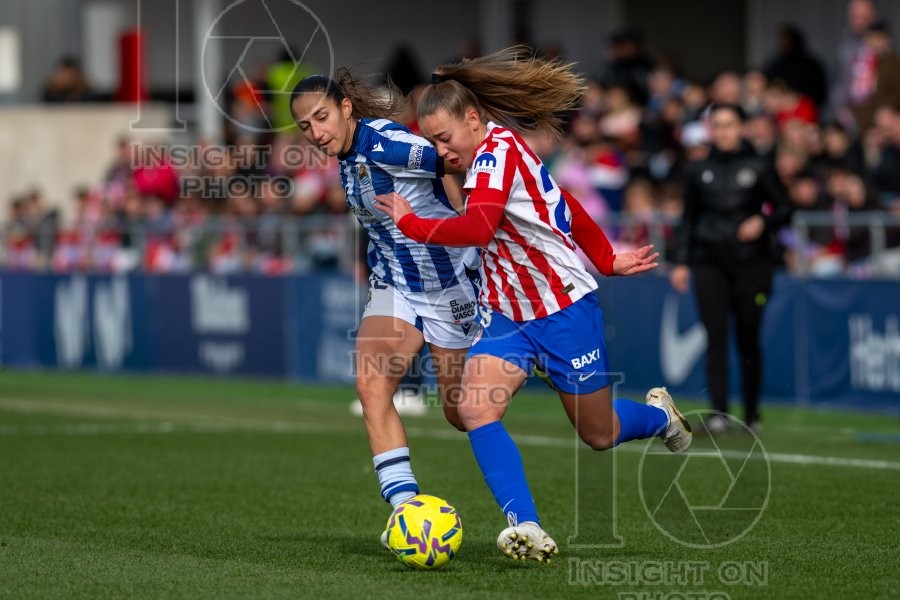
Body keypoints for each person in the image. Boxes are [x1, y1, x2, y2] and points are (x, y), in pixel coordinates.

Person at [375, 47, 692, 563]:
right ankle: (526, 525)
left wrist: (411, 223)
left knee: (599, 432)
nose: (440, 151)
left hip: (565, 311)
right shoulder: (484, 155)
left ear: (473, 119)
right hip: (506, 314)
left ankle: (659, 418)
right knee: (473, 408)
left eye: (443, 138)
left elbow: (477, 227)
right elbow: (564, 202)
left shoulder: (497, 154)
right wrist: (606, 257)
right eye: (431, 141)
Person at [288, 70, 480, 535]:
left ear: (346, 109)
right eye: (306, 127)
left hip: (450, 285)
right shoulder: (348, 155)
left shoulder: (386, 145)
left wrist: (467, 215)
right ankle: (407, 511)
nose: (316, 133)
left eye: (322, 118)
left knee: (461, 413)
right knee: (372, 386)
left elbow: (457, 158)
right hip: (395, 285)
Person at [669, 104, 793, 434]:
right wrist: (680, 261)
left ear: (741, 128)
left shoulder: (759, 166)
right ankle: (719, 414)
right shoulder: (698, 170)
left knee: (748, 338)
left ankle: (751, 414)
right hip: (709, 262)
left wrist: (762, 221)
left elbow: (785, 208)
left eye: (729, 125)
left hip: (752, 264)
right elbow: (687, 219)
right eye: (718, 125)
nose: (723, 131)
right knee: (715, 337)